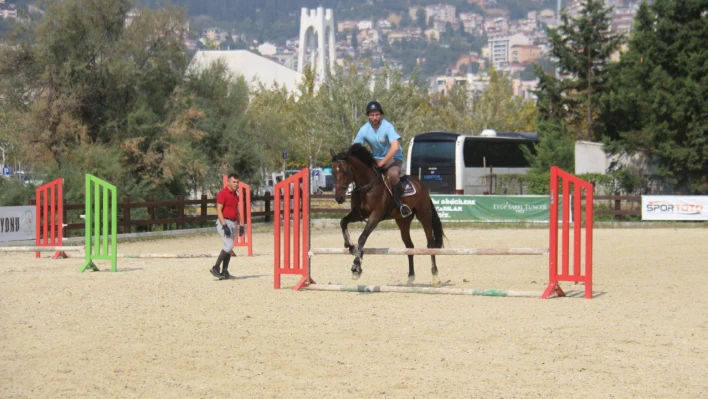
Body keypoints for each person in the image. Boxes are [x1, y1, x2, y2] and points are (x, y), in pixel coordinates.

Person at [353, 100, 412, 217]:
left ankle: (401, 205)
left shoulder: (388, 127)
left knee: (393, 175)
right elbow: (356, 147)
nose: (374, 117)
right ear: (368, 116)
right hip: (376, 160)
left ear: (381, 115)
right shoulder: (364, 129)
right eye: (372, 115)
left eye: (377, 114)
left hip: (394, 158)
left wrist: (382, 162)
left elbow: (395, 147)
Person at [211, 173, 243, 279]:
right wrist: (224, 225)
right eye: (234, 182)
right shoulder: (223, 193)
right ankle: (215, 268)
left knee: (229, 248)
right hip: (224, 221)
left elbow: (237, 211)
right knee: (229, 245)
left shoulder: (235, 195)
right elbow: (219, 210)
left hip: (233, 222)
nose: (236, 184)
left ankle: (225, 271)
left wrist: (241, 224)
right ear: (228, 182)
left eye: (237, 182)